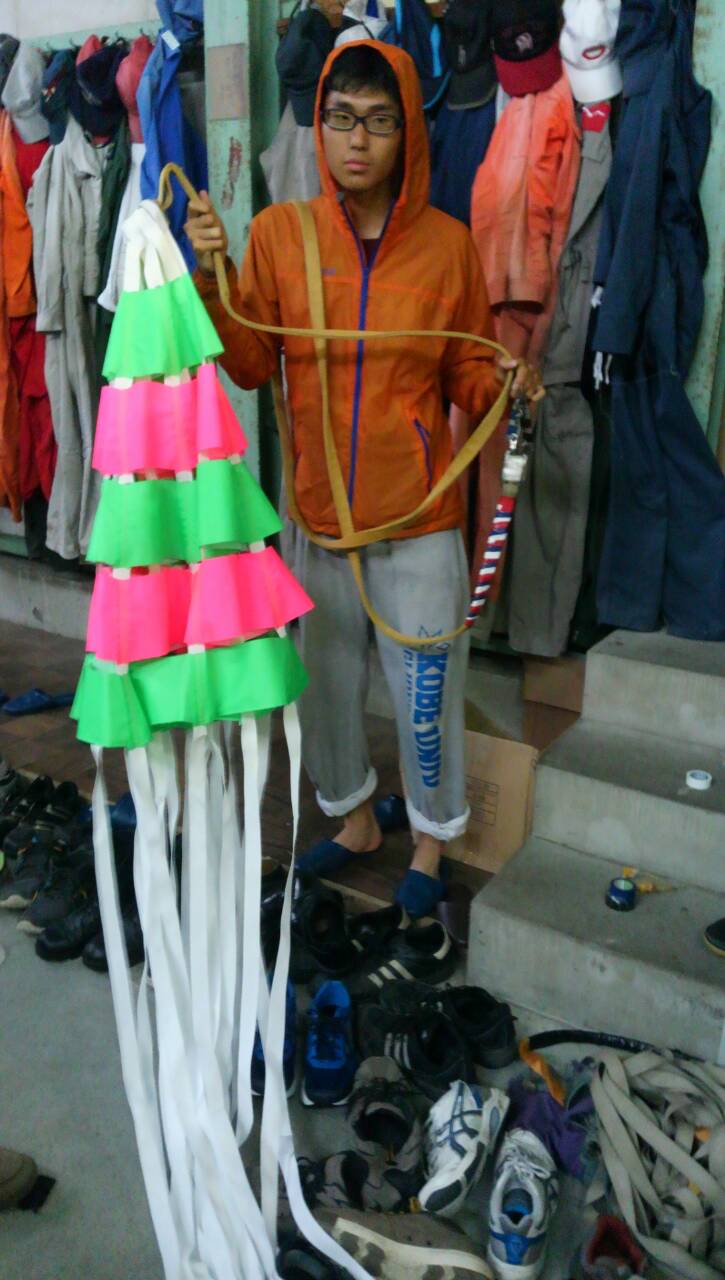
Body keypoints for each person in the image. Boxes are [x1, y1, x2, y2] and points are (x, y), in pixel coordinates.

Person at [186, 40, 543, 918]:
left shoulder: (447, 247)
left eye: (379, 122)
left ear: (406, 134)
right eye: (342, 118)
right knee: (327, 695)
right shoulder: (282, 235)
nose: (358, 140)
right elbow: (250, 364)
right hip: (318, 518)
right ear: (320, 126)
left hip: (417, 521)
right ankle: (353, 822)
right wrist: (213, 278)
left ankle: (429, 839)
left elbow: (464, 376)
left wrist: (502, 381)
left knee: (427, 696)